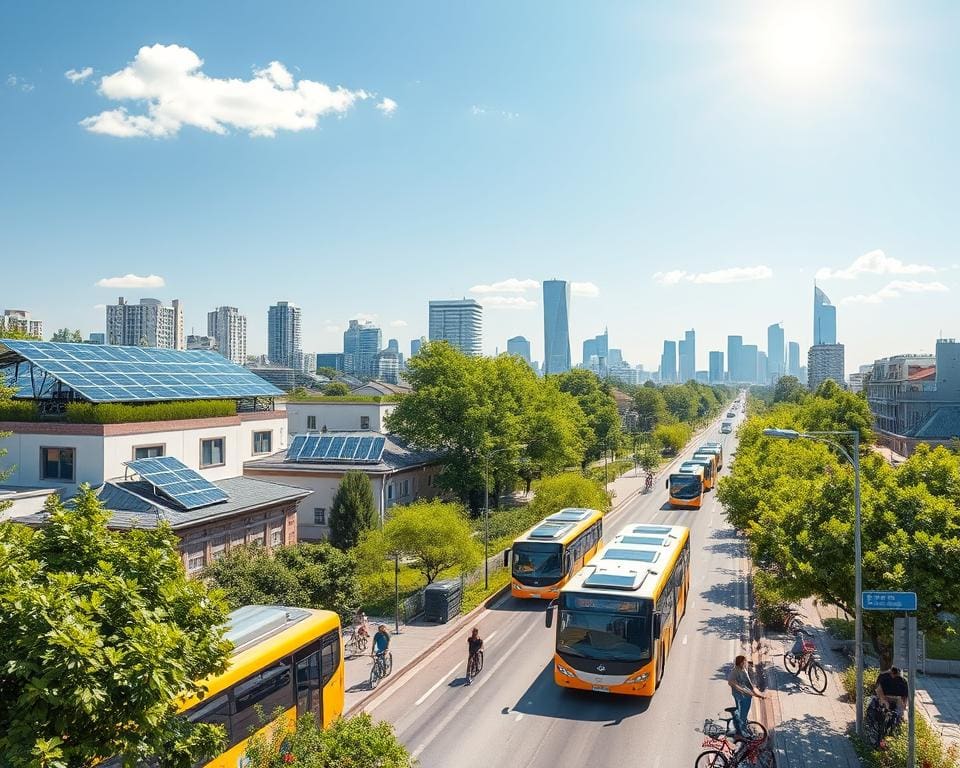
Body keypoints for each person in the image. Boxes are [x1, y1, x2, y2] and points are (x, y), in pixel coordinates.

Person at [727, 655, 765, 738]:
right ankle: (743, 733)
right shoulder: (736, 671)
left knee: (740, 711)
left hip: (740, 695)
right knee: (743, 715)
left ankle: (741, 725)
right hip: (744, 696)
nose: (746, 662)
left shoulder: (741, 669)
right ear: (741, 663)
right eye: (745, 661)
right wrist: (757, 695)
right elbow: (733, 683)